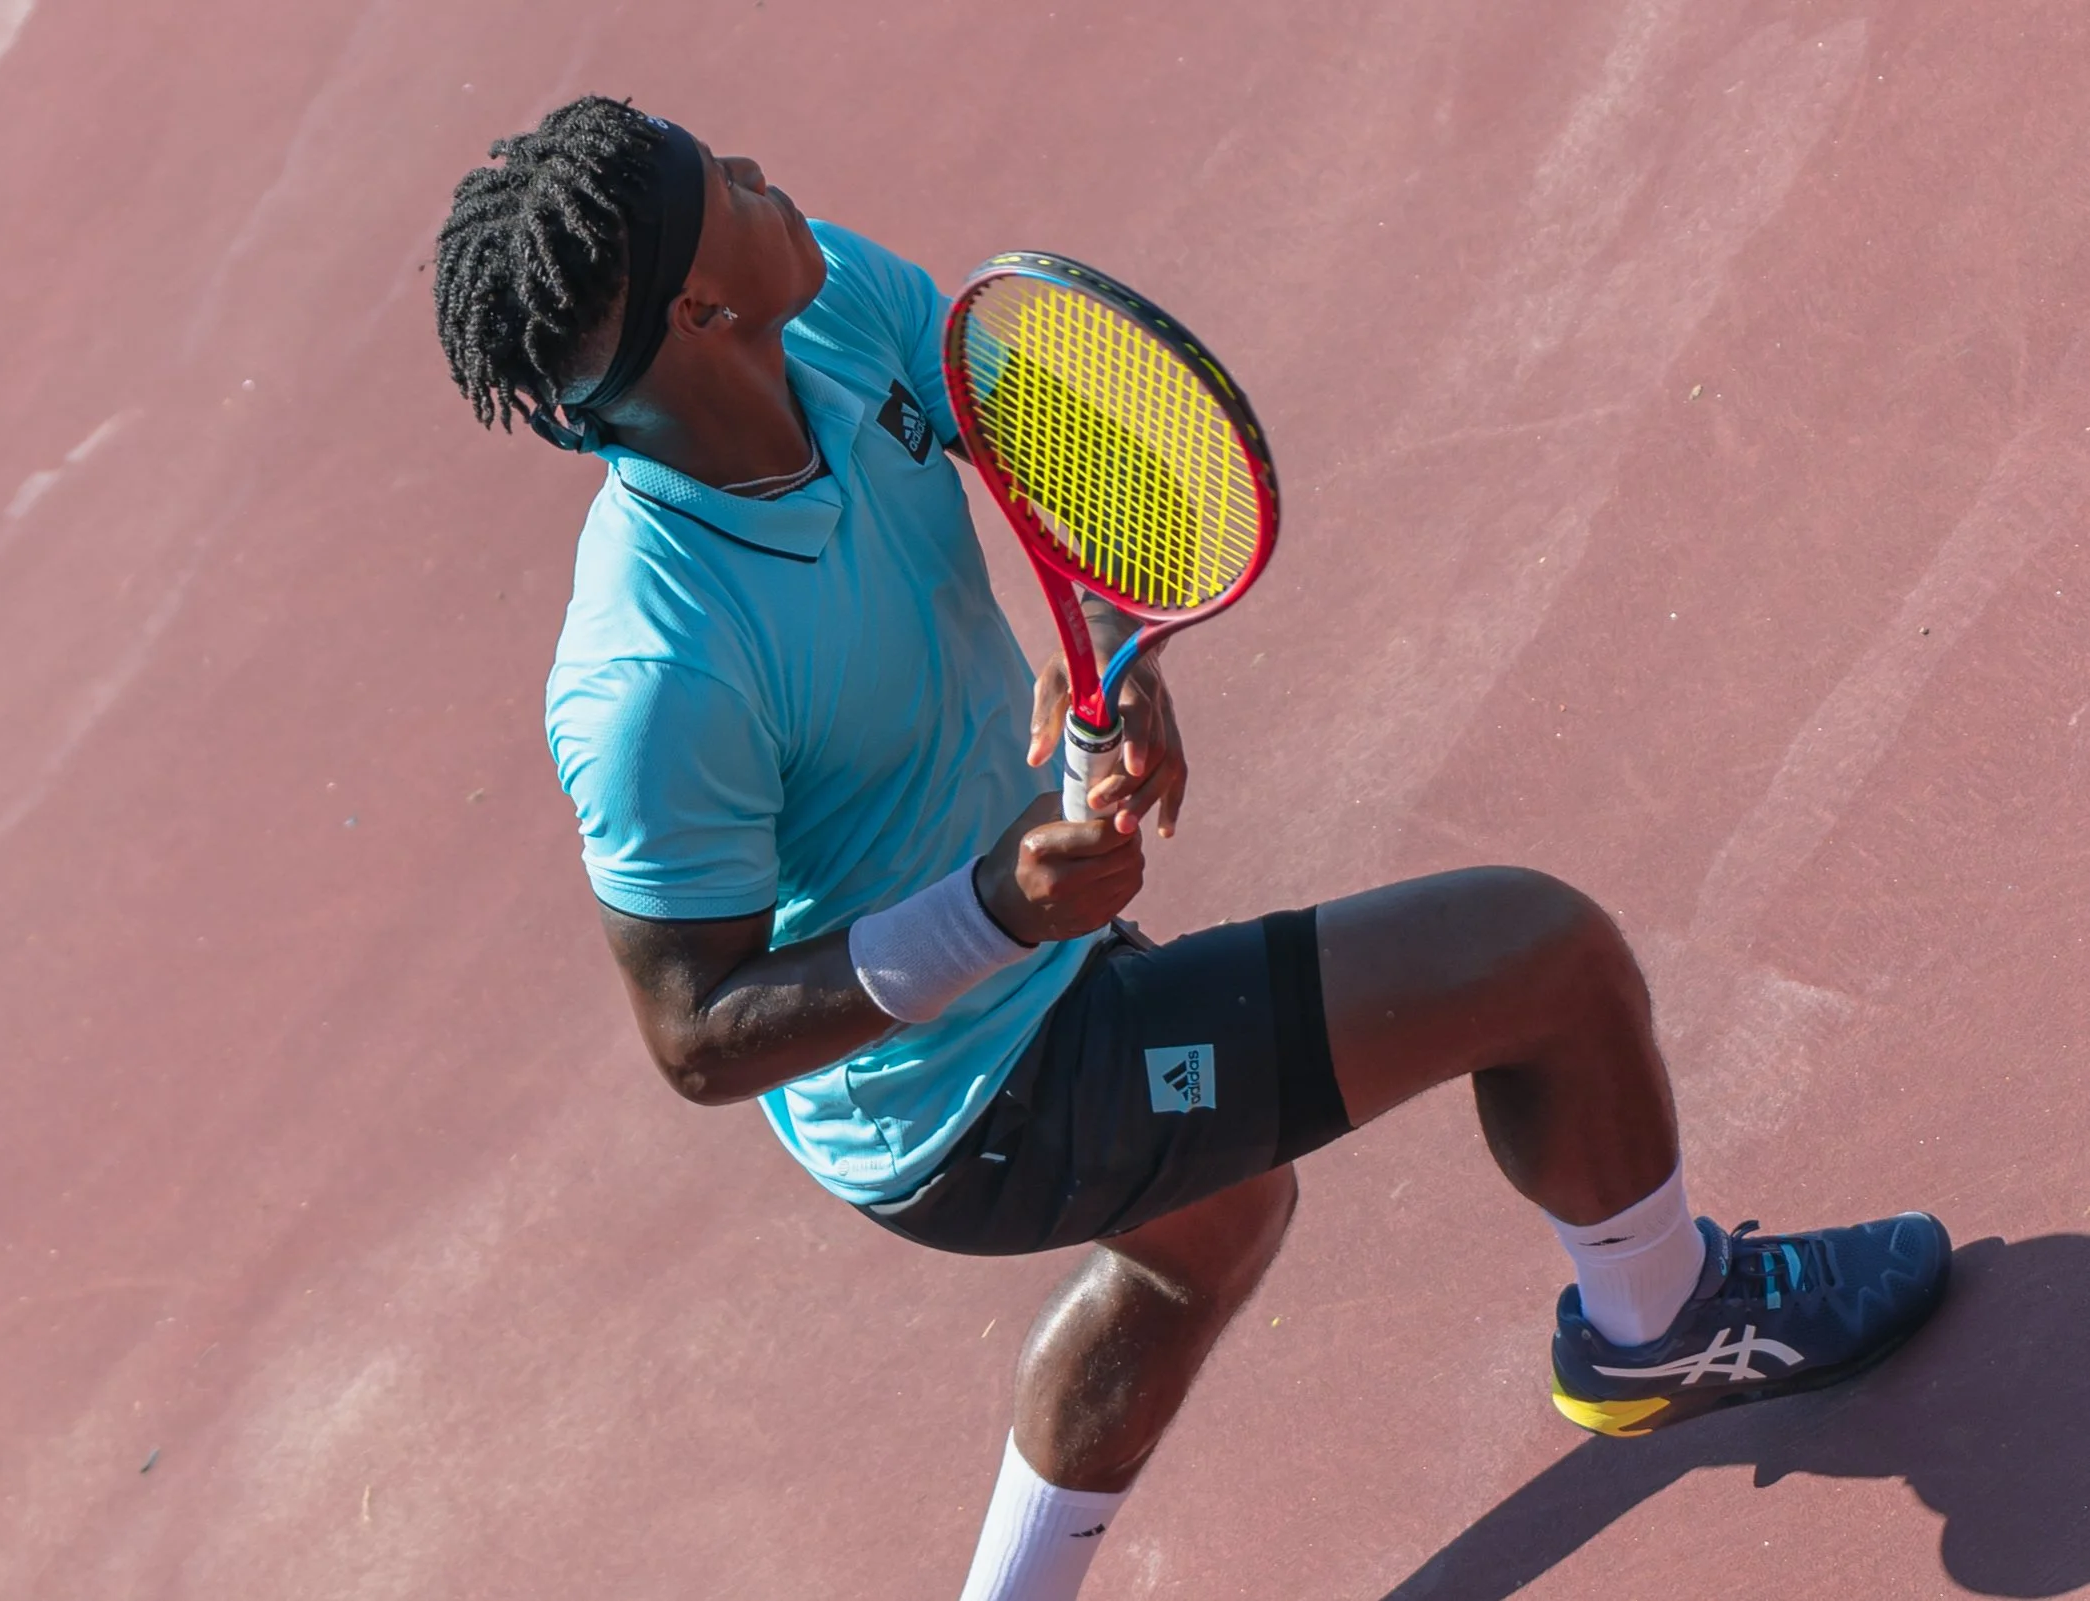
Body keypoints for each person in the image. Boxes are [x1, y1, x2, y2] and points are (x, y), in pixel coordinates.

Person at [431, 95, 1953, 1600]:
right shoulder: (654, 674)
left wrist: (1114, 638)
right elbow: (696, 1037)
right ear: (702, 309)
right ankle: (1661, 1321)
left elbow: (1072, 471)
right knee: (1539, 960)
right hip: (967, 1099)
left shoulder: (822, 304)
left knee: (1214, 1228)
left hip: (1022, 971)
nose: (770, 178)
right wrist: (990, 912)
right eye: (734, 185)